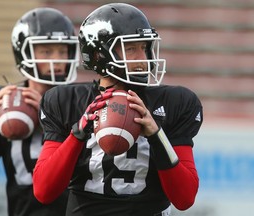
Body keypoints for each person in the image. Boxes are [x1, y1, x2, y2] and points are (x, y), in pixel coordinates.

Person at [33, 3, 203, 216]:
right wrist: (78, 133)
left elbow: (185, 198)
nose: (142, 58)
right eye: (131, 48)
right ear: (98, 55)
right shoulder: (65, 101)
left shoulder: (175, 102)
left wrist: (156, 135)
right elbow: (44, 191)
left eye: (144, 47)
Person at [0, 7, 79, 216]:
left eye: (62, 51)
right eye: (47, 51)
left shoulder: (82, 101)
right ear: (24, 52)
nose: (58, 60)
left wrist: (51, 117)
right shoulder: (2, 103)